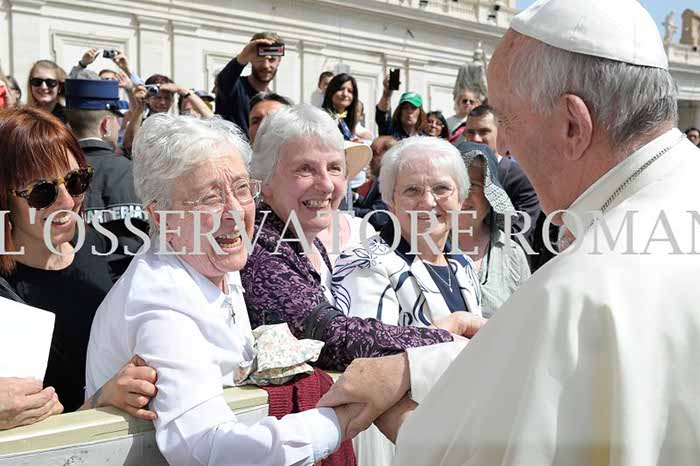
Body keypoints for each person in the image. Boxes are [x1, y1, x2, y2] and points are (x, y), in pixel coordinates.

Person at [319, 1, 700, 464]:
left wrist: (399, 412)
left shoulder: (579, 289)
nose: (505, 147)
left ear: (572, 124)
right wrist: (427, 362)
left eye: (509, 121)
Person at [86, 113, 359, 466]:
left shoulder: (212, 260)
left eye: (242, 189)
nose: (235, 211)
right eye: (209, 198)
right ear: (160, 216)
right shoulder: (160, 305)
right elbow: (206, 448)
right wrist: (341, 420)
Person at [241, 104, 479, 372]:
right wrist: (447, 334)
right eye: (305, 169)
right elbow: (331, 338)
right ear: (265, 181)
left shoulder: (307, 240)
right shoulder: (260, 244)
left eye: (334, 168)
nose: (327, 184)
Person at [0, 107, 157, 418]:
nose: (68, 201)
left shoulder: (96, 245)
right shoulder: (5, 296)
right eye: (42, 191)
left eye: (76, 181)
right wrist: (101, 400)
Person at [332, 136, 484, 328]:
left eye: (441, 188)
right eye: (412, 190)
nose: (428, 202)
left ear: (460, 199)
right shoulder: (364, 263)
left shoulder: (464, 264)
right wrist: (457, 325)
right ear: (390, 202)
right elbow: (370, 346)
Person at [64, 78, 149, 280]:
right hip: (126, 285)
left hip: (72, 282)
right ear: (106, 124)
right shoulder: (133, 171)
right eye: (117, 120)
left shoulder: (55, 173)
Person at [458, 148, 530, 317]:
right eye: (456, 185)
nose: (463, 195)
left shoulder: (513, 253)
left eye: (473, 185)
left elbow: (528, 316)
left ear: (490, 195)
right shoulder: (425, 247)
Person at [463, 104, 542, 248]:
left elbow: (518, 234)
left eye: (484, 132)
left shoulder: (522, 179)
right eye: (470, 132)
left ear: (500, 133)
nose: (476, 138)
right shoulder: (456, 173)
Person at [215, 31, 283, 137]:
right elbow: (224, 80)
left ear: (279, 60)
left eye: (272, 59)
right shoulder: (234, 87)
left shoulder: (274, 101)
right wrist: (242, 57)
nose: (266, 65)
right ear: (251, 59)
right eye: (260, 59)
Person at [353, 136, 396, 230]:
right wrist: (356, 197)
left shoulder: (391, 181)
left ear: (388, 156)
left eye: (374, 153)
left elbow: (378, 218)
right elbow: (374, 203)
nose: (370, 159)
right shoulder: (380, 177)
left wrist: (347, 212)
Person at [376, 74, 426, 140]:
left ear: (420, 112)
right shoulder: (390, 130)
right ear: (400, 111)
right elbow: (382, 114)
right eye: (405, 107)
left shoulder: (425, 136)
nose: (409, 111)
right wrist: (387, 94)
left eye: (413, 108)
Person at [322, 73, 359, 141]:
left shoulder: (348, 120)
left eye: (350, 91)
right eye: (341, 89)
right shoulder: (320, 117)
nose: (345, 94)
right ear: (331, 91)